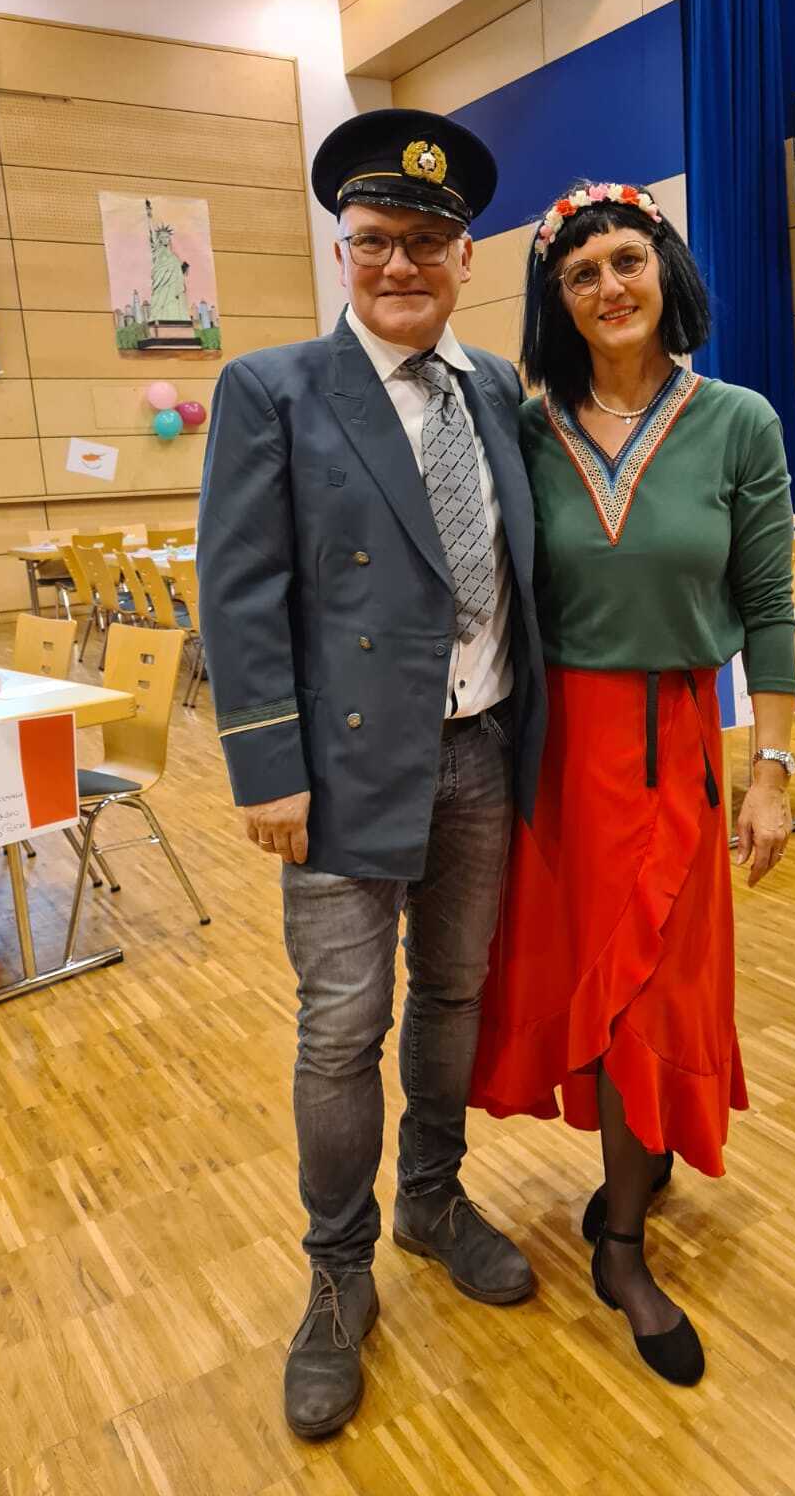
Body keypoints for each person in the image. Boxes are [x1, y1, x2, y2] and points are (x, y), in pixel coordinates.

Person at [197, 109, 548, 1439]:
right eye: (375, 240)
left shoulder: (499, 390)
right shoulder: (273, 388)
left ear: (467, 257)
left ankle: (432, 1202)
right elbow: (239, 591)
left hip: (482, 750)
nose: (401, 263)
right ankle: (338, 1271)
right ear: (341, 250)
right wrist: (264, 768)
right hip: (341, 772)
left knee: (454, 994)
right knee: (342, 1029)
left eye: (428, 241)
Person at [469, 181, 795, 1387]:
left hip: (681, 744)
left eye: (627, 260)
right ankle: (621, 1231)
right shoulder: (523, 428)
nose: (610, 286)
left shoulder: (740, 422)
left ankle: (622, 1228)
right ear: (556, 300)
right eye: (581, 273)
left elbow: (769, 607)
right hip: (561, 753)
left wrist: (770, 767)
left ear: (665, 270)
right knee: (604, 989)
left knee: (658, 990)